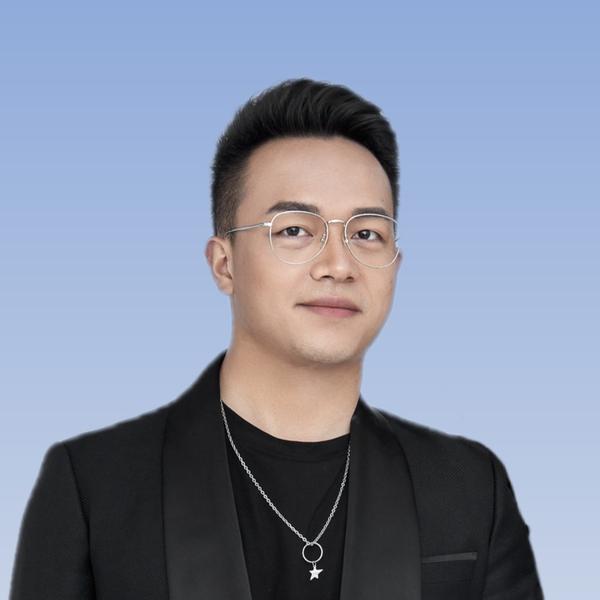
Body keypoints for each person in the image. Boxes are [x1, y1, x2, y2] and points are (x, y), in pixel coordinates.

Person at [9, 78, 544, 600]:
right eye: (294, 230)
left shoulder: (469, 487)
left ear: (395, 264)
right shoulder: (94, 486)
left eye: (366, 234)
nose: (338, 265)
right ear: (224, 264)